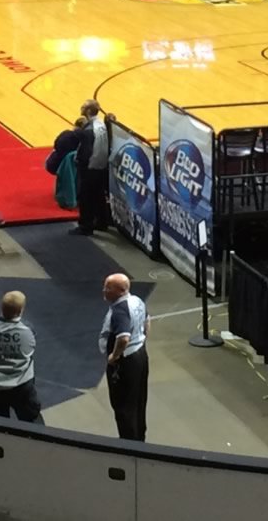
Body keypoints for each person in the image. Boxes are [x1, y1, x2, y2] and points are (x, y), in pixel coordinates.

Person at [0, 291, 44, 423]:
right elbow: (31, 349)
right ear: (21, 310)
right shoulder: (28, 329)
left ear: (1, 307)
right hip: (22, 387)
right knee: (33, 424)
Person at [100, 273, 149, 442]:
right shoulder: (137, 301)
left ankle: (129, 443)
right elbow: (147, 322)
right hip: (140, 355)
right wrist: (142, 341)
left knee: (123, 405)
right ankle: (139, 438)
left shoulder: (120, 310)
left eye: (108, 288)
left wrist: (114, 356)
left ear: (120, 291)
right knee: (138, 401)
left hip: (126, 362)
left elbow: (123, 337)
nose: (104, 290)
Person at [75, 99, 112, 236]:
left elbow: (86, 152)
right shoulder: (100, 124)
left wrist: (80, 163)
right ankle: (102, 222)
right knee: (98, 196)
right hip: (101, 166)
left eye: (84, 107)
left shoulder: (89, 130)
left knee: (85, 198)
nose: (81, 108)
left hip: (90, 167)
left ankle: (85, 226)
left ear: (89, 111)